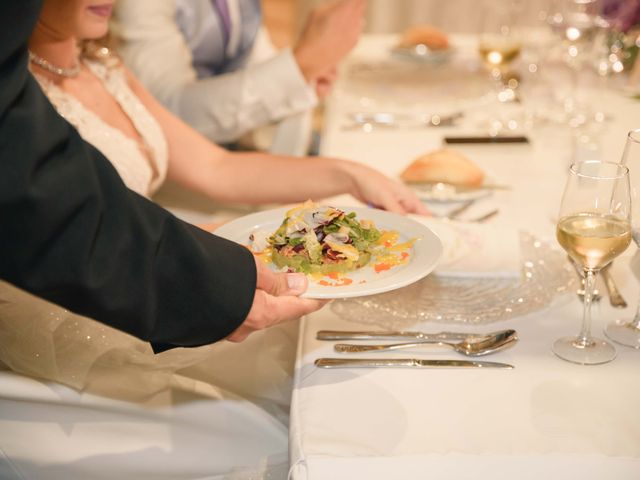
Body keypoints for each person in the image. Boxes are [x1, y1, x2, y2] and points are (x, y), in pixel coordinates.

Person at [0, 1, 427, 478]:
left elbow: (215, 167)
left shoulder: (101, 61)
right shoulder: (20, 95)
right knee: (310, 396)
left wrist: (349, 174)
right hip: (95, 314)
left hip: (158, 267)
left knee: (335, 357)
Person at [112, 0, 365, 147]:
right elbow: (171, 114)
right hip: (178, 192)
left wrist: (303, 77)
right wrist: (300, 66)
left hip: (234, 154)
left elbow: (251, 56)